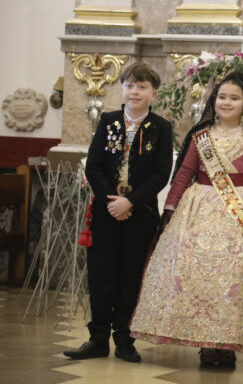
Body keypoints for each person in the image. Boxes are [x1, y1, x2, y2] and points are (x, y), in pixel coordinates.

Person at [129, 71, 243, 367]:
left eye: (234, 98)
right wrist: (169, 209)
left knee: (234, 279)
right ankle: (205, 342)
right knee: (197, 275)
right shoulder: (200, 136)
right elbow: (183, 174)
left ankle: (228, 342)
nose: (227, 102)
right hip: (200, 209)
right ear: (213, 101)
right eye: (222, 97)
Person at [64, 62, 173, 363]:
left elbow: (161, 174)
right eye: (129, 85)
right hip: (105, 212)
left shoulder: (161, 128)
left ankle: (125, 339)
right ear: (122, 89)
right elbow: (95, 164)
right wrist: (111, 201)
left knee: (130, 275)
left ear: (154, 92)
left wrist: (131, 202)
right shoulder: (109, 120)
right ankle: (97, 338)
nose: (134, 92)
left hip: (139, 213)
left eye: (142, 87)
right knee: (102, 274)